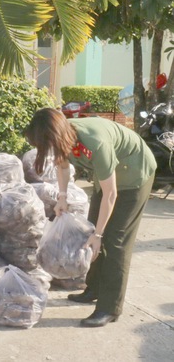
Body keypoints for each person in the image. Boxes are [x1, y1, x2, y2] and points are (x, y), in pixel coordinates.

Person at [24, 108, 156, 327]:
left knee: (115, 242)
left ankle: (110, 308)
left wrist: (99, 233)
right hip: (108, 180)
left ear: (54, 135)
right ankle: (93, 289)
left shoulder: (96, 143)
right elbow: (62, 165)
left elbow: (111, 194)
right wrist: (62, 197)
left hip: (134, 177)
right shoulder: (64, 136)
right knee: (90, 233)